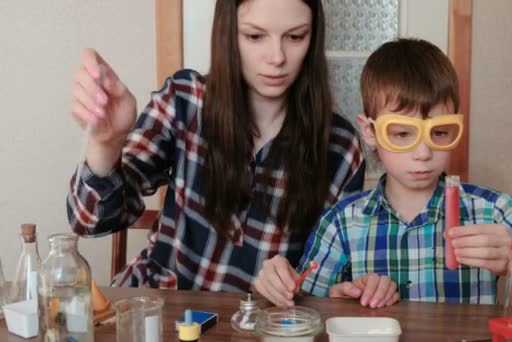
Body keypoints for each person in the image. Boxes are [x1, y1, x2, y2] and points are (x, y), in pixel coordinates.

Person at [252, 38, 512, 308]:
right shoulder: (343, 222)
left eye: (440, 133)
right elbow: (306, 306)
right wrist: (342, 296)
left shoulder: (491, 210)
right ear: (369, 132)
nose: (423, 153)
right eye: (402, 134)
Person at [67, 0, 365, 291]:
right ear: (228, 33)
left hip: (260, 324)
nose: (277, 57)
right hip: (162, 306)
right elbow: (90, 221)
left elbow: (331, 280)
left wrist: (296, 284)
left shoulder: (340, 148)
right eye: (255, 36)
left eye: (296, 36)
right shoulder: (185, 100)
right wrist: (105, 143)